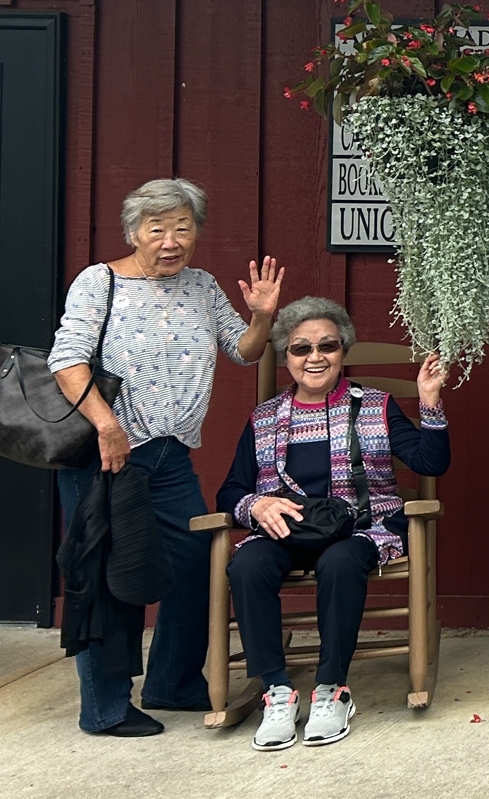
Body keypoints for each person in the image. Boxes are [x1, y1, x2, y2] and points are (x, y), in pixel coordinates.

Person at [47, 178, 282, 737]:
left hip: (171, 455)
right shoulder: (99, 281)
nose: (171, 240)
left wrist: (262, 317)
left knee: (195, 563)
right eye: (157, 229)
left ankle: (173, 682)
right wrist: (107, 426)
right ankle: (105, 709)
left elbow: (243, 351)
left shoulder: (201, 286)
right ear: (134, 232)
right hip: (107, 456)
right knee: (107, 578)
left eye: (183, 227)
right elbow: (66, 360)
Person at [213, 297, 453, 751]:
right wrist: (257, 506)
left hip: (364, 528)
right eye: (301, 348)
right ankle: (276, 690)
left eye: (328, 345)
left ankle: (331, 688)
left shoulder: (376, 406)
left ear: (343, 350)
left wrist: (429, 403)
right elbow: (231, 491)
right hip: (288, 531)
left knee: (340, 562)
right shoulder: (264, 419)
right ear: (286, 356)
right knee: (247, 566)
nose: (315, 357)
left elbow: (430, 462)